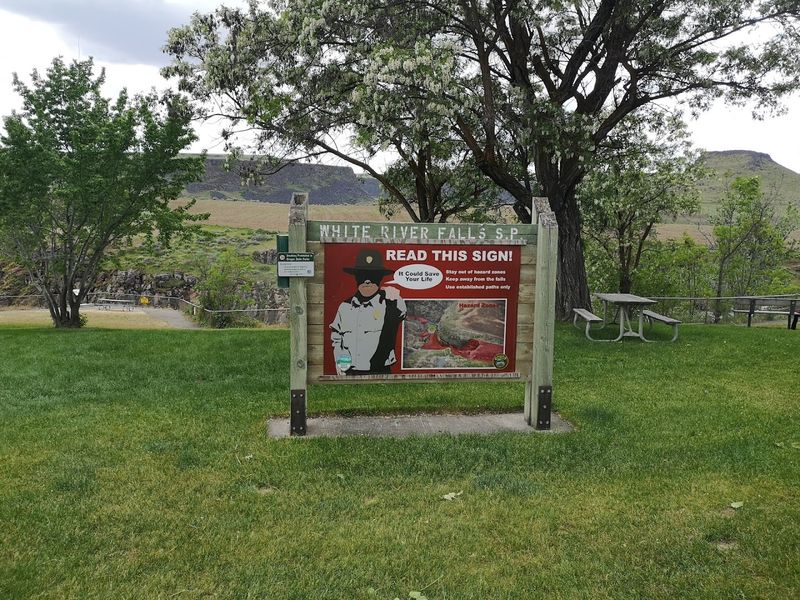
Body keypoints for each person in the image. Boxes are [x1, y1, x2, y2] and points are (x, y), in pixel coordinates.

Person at [330, 248, 406, 375]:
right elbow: (337, 338)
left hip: (380, 372)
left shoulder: (389, 303)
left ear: (380, 278)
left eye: (373, 276)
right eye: (362, 275)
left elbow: (401, 312)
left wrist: (395, 297)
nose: (367, 280)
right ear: (356, 278)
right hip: (350, 372)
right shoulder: (344, 307)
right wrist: (341, 364)